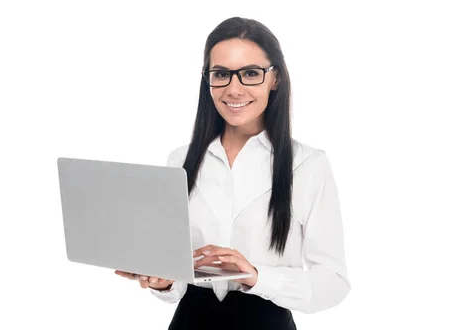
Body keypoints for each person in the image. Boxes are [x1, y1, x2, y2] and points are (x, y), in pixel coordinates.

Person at [115, 17, 351, 329]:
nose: (234, 89)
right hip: (190, 322)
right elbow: (177, 279)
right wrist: (163, 282)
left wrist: (257, 276)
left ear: (275, 78)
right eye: (222, 74)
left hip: (266, 322)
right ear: (207, 79)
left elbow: (333, 283)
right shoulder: (180, 160)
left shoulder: (307, 165)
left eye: (251, 73)